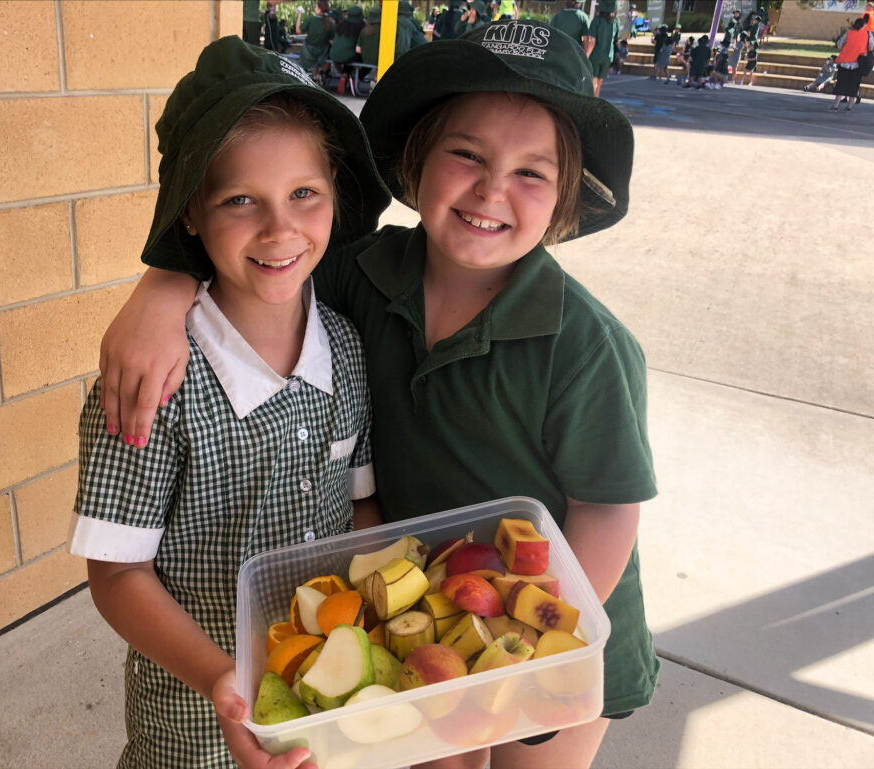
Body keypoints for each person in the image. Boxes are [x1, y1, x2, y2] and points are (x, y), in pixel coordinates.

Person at [96, 20, 660, 769]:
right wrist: (162, 285)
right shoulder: (358, 274)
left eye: (532, 171)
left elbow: (610, 505)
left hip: (561, 624)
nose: (492, 188)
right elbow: (257, 257)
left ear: (564, 199)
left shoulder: (586, 342)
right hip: (415, 609)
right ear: (417, 161)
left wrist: (541, 656)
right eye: (467, 154)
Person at [68, 36, 391, 769]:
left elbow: (360, 507)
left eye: (303, 194)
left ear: (335, 195)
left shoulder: (345, 345)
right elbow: (116, 573)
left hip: (327, 701)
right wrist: (223, 676)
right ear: (190, 213)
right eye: (240, 200)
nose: (280, 229)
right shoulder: (150, 383)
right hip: (193, 723)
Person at [829, 15, 874, 111]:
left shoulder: (848, 33)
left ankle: (835, 105)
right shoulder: (868, 34)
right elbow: (870, 47)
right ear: (864, 25)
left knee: (841, 83)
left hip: (844, 61)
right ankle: (849, 106)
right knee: (854, 84)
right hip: (858, 63)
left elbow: (839, 44)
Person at [296, 0, 334, 82]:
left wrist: (299, 15)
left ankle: (304, 76)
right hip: (322, 54)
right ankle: (318, 75)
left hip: (308, 53)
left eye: (316, 7)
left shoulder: (311, 20)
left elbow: (298, 31)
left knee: (306, 54)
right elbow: (332, 41)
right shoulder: (330, 23)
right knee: (328, 55)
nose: (314, 8)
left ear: (320, 9)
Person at [588, 1, 620, 96]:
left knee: (593, 82)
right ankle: (596, 101)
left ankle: (591, 102)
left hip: (596, 55)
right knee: (599, 83)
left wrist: (586, 55)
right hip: (608, 56)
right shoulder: (616, 22)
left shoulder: (596, 20)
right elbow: (616, 40)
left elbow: (592, 41)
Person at [330, 4, 365, 80]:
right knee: (359, 57)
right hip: (349, 56)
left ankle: (344, 75)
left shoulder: (341, 25)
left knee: (348, 55)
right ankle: (356, 78)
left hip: (334, 55)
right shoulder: (361, 28)